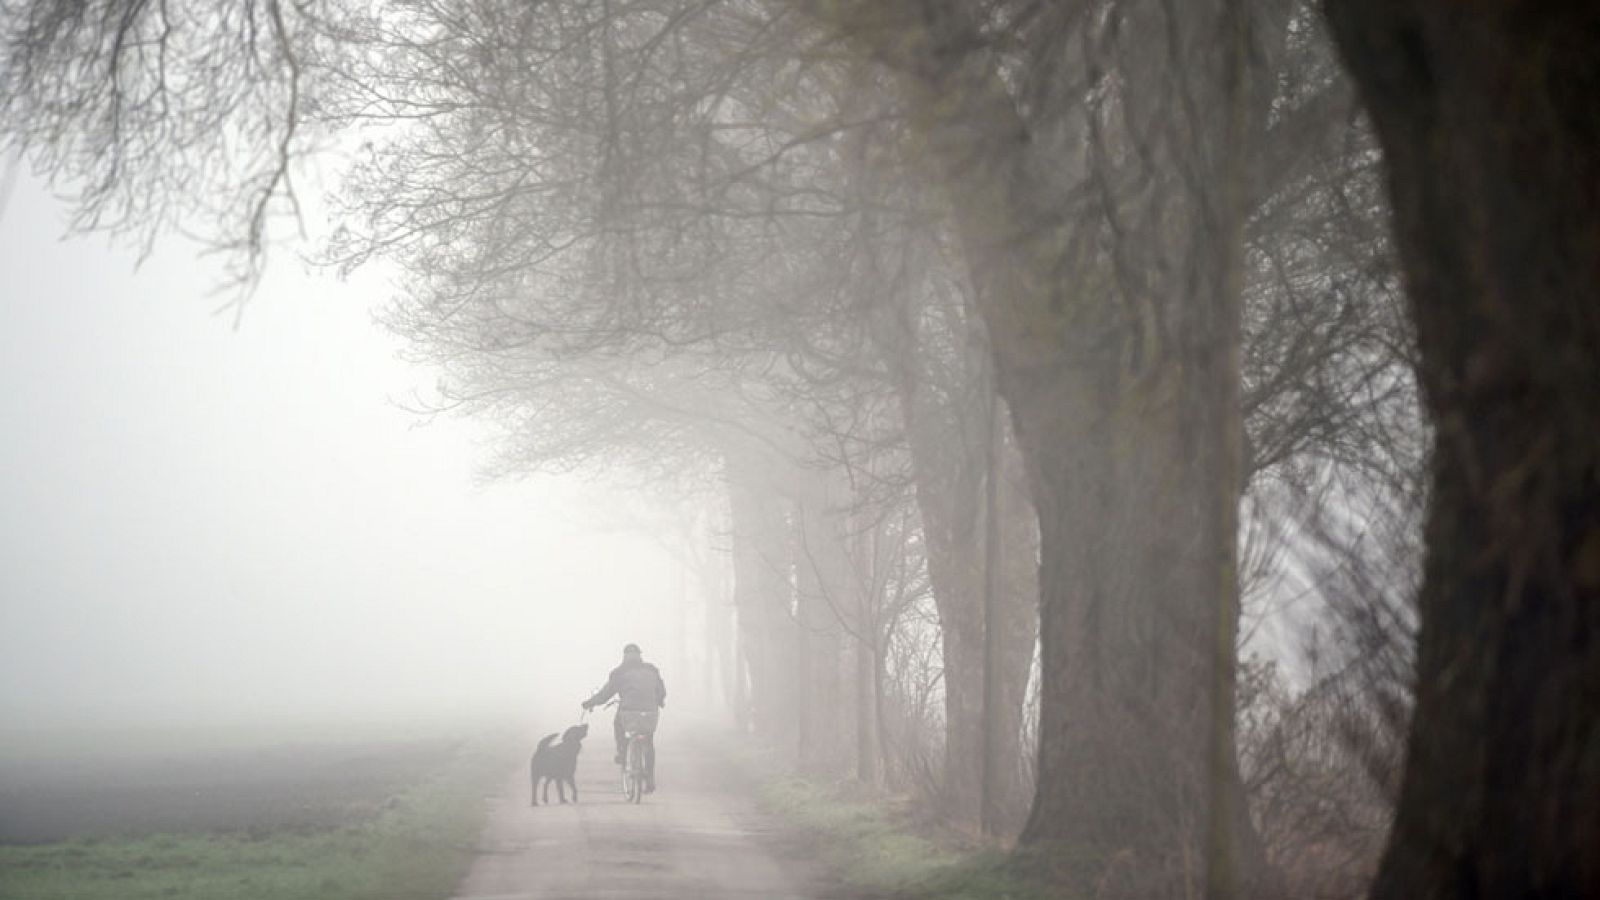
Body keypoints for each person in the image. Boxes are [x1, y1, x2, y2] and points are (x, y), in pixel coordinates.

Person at [581, 643, 666, 789]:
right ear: (640, 655)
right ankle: (650, 777)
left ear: (624, 656)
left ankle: (622, 751)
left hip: (629, 711)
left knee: (618, 723)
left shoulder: (619, 672)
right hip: (650, 712)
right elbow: (661, 690)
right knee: (648, 742)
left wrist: (590, 703)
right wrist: (659, 701)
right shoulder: (652, 670)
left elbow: (605, 694)